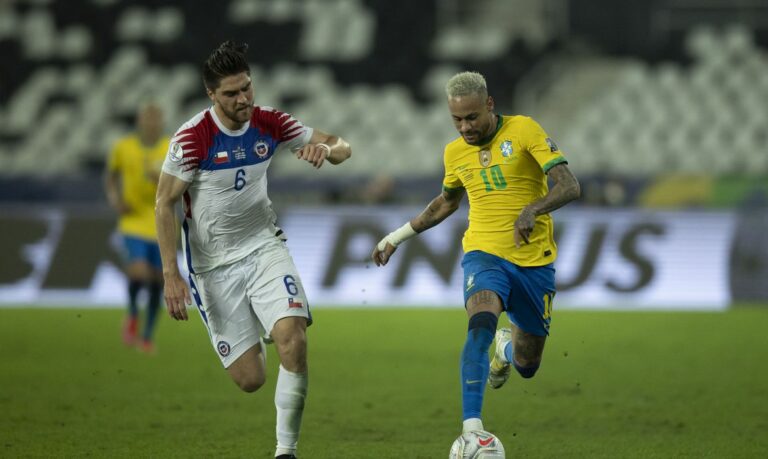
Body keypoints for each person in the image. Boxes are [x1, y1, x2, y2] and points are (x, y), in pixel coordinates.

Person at [155, 41, 351, 459]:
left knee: (293, 340)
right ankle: (262, 323)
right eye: (231, 93)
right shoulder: (192, 139)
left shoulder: (270, 122)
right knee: (251, 379)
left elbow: (341, 145)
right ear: (211, 95)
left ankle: (285, 451)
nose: (243, 98)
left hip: (264, 247)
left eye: (246, 88)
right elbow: (164, 202)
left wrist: (327, 150)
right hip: (212, 268)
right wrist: (171, 274)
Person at [371, 71, 580, 436]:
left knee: (528, 364)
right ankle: (472, 430)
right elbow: (445, 204)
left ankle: (506, 350)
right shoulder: (454, 153)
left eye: (471, 117)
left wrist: (533, 209)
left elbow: (570, 185)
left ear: (489, 105)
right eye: (456, 120)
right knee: (480, 323)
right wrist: (397, 236)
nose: (464, 127)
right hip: (482, 255)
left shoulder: (525, 130)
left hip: (534, 262)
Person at [105, 102, 168, 353]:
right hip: (132, 220)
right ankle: (132, 313)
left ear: (161, 122)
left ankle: (147, 335)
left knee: (158, 281)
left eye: (156, 118)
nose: (151, 123)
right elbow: (111, 177)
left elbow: (186, 179)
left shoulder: (171, 147)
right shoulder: (123, 147)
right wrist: (115, 200)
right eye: (147, 118)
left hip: (161, 220)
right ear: (139, 121)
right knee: (139, 272)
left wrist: (164, 180)